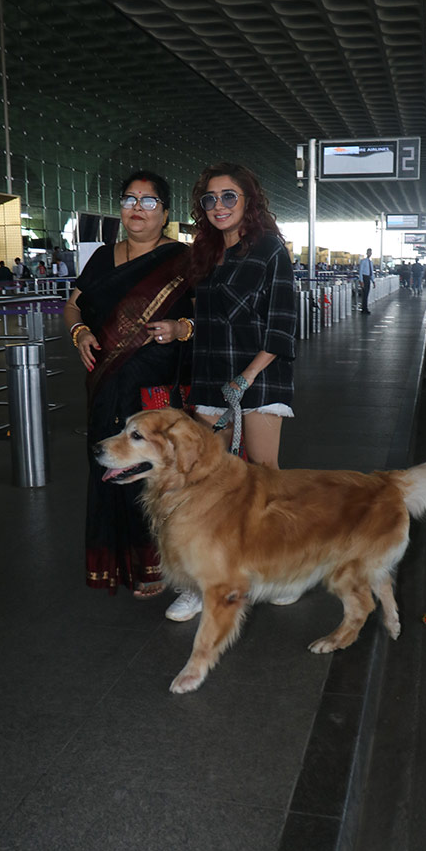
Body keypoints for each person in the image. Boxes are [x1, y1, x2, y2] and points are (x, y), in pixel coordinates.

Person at [165, 161, 296, 623]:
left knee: (265, 478)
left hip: (257, 379)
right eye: (210, 199)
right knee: (198, 478)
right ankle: (199, 584)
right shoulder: (203, 253)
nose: (218, 206)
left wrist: (246, 379)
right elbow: (206, 320)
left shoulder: (270, 251)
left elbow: (282, 327)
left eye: (228, 197)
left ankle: (281, 572)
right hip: (209, 377)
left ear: (248, 201)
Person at [63, 170, 193, 598]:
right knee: (108, 464)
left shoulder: (184, 259)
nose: (137, 208)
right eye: (130, 199)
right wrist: (79, 331)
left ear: (165, 212)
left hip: (154, 379)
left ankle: (159, 565)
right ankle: (116, 563)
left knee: (154, 471)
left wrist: (180, 327)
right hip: (104, 380)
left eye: (148, 201)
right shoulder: (103, 256)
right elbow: (73, 305)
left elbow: (207, 317)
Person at [358, 248, 375, 313]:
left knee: (367, 294)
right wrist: (361, 281)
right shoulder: (363, 261)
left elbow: (371, 272)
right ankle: (364, 309)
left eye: (370, 252)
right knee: (364, 294)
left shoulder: (370, 262)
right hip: (364, 278)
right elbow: (361, 271)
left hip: (368, 278)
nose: (369, 253)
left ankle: (365, 307)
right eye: (368, 252)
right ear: (366, 253)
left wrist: (373, 281)